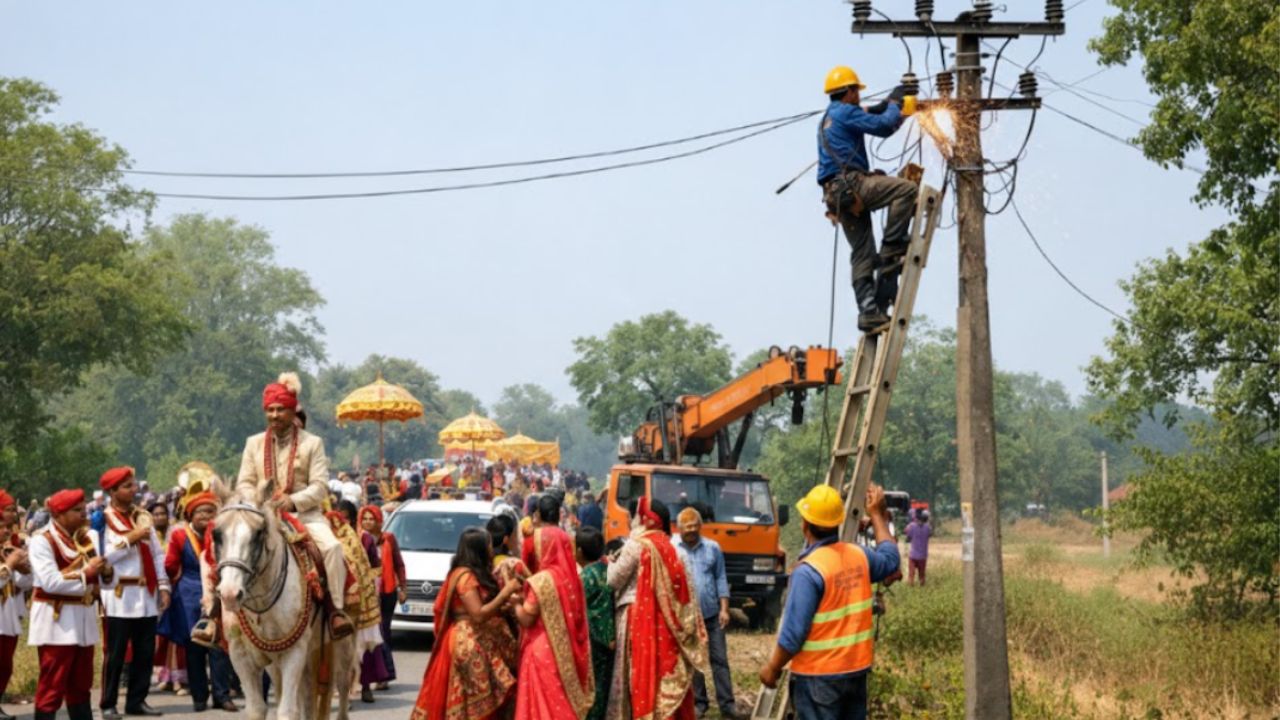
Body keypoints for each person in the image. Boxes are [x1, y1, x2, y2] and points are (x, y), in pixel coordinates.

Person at [758, 484, 900, 720]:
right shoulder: (859, 556)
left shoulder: (809, 571)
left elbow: (793, 634)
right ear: (837, 523)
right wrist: (877, 514)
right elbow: (891, 559)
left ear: (805, 525)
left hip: (818, 678)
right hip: (855, 673)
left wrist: (772, 668)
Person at [234, 372, 352, 638]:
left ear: (292, 411)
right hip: (262, 514)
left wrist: (292, 501)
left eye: (280, 410)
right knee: (228, 547)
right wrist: (258, 501)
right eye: (270, 410)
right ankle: (217, 616)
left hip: (305, 515)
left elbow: (319, 485)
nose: (274, 415)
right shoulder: (253, 443)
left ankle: (335, 611)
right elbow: (244, 482)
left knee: (332, 548)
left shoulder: (313, 443)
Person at [817, 65, 918, 332]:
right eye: (857, 91)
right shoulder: (846, 112)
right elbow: (884, 126)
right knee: (907, 189)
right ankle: (893, 245)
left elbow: (869, 114)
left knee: (861, 253)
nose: (859, 96)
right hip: (854, 185)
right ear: (849, 92)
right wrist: (896, 103)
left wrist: (887, 104)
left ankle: (868, 312)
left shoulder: (831, 116)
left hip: (837, 196)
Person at [606, 498, 708, 720]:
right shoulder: (674, 549)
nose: (633, 520)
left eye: (636, 515)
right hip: (666, 622)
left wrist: (611, 562)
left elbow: (613, 581)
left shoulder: (637, 545)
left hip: (636, 617)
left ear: (645, 519)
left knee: (635, 676)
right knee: (661, 673)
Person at [411, 529, 521, 720]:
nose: (491, 549)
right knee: (472, 700)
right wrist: (506, 592)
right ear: (478, 549)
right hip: (467, 642)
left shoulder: (473, 573)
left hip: (476, 638)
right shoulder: (465, 577)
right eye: (487, 545)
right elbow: (478, 614)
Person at [98, 466, 171, 720]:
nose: (134, 490)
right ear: (113, 491)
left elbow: (157, 554)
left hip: (146, 593)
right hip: (119, 593)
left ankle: (137, 700)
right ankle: (108, 702)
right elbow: (105, 555)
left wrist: (163, 585)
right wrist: (131, 538)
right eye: (127, 486)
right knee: (116, 652)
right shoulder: (103, 519)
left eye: (133, 485)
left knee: (144, 650)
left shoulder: (142, 516)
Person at [29, 489, 107, 720]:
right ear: (59, 514)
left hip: (83, 619)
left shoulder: (87, 538)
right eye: (77, 510)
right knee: (52, 685)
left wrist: (106, 573)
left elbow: (98, 578)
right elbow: (51, 582)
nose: (84, 514)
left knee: (81, 686)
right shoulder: (41, 541)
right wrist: (88, 573)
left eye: (83, 509)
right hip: (56, 622)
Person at [162, 490, 236, 713]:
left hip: (219, 590)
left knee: (220, 646)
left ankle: (222, 696)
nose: (206, 516)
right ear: (190, 514)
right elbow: (170, 565)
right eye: (201, 511)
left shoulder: (222, 534)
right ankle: (199, 697)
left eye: (211, 511)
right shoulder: (179, 536)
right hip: (189, 594)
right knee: (194, 646)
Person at [512, 525, 595, 720]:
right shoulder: (573, 579)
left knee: (540, 708)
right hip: (567, 651)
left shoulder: (542, 580)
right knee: (559, 703)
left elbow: (526, 618)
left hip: (541, 651)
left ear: (545, 547)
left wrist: (515, 604)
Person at [676, 508, 743, 719]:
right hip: (688, 618)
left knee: (720, 659)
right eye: (688, 529)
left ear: (700, 527)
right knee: (695, 662)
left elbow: (721, 578)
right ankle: (699, 703)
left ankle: (727, 705)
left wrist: (725, 609)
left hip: (713, 615)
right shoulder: (673, 549)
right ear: (679, 529)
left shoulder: (713, 548)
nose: (692, 532)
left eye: (695, 527)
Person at [329, 501, 387, 703]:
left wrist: (366, 584)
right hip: (338, 600)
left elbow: (376, 567)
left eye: (345, 517)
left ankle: (365, 688)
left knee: (365, 646)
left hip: (361, 598)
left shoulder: (363, 538)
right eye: (338, 516)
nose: (341, 521)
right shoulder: (330, 538)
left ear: (353, 519)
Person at [358, 505, 406, 691]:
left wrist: (403, 587)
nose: (368, 522)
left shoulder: (389, 539)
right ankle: (375, 674)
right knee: (370, 635)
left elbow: (399, 564)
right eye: (365, 518)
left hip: (387, 592)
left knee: (383, 632)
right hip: (367, 593)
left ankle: (385, 675)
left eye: (372, 519)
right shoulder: (358, 540)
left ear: (379, 520)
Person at [148, 500, 187, 696]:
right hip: (152, 589)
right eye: (155, 514)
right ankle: (165, 676)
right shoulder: (148, 534)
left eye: (163, 514)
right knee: (160, 636)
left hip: (174, 586)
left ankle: (178, 678)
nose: (160, 517)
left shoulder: (175, 532)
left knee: (174, 635)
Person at [575, 527, 613, 720]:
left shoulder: (584, 578)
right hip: (609, 638)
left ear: (579, 551)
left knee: (592, 687)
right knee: (604, 686)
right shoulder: (608, 570)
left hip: (591, 640)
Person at [0, 497, 31, 720]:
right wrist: (10, 565)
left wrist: (24, 568)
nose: (5, 531)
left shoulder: (6, 549)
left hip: (7, 615)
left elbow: (25, 583)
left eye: (6, 527)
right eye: (1, 527)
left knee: (4, 665)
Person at [905, 509, 932, 586]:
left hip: (913, 555)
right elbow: (930, 534)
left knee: (911, 575)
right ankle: (922, 589)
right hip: (923, 556)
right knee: (922, 576)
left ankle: (910, 589)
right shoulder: (928, 528)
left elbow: (908, 538)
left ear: (916, 517)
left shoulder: (911, 527)